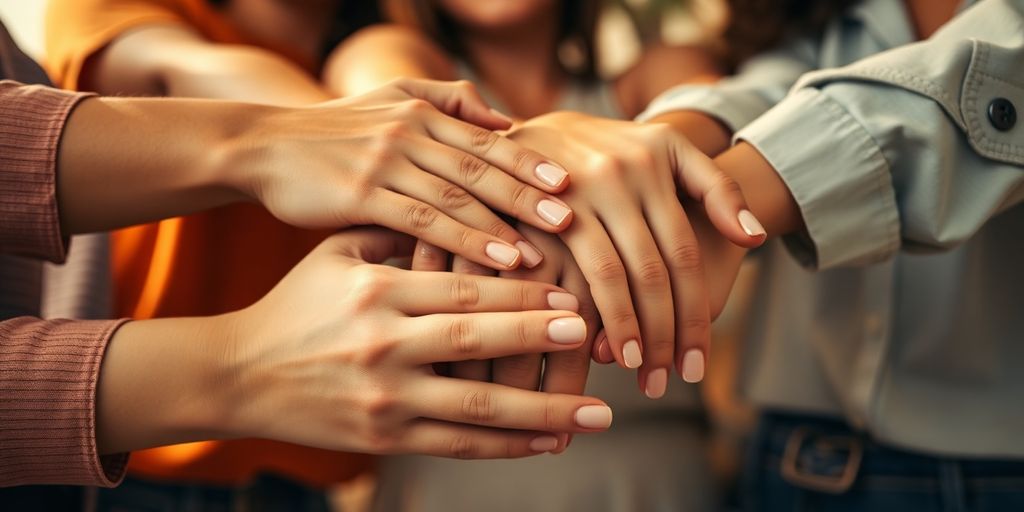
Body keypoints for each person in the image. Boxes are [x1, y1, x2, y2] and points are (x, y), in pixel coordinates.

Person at [42, 0, 580, 497]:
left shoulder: (374, 52)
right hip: (129, 470)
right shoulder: (134, 11)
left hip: (301, 488)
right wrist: (345, 133)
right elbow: (192, 67)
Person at [511, 0, 1023, 509]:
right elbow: (772, 84)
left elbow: (996, 73)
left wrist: (715, 204)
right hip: (787, 460)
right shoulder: (819, 16)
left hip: (995, 469)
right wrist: (646, 158)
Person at [325, 2, 761, 510]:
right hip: (452, 481)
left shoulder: (665, 67)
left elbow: (720, 119)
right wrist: (608, 173)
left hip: (654, 479)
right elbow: (390, 118)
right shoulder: (385, 53)